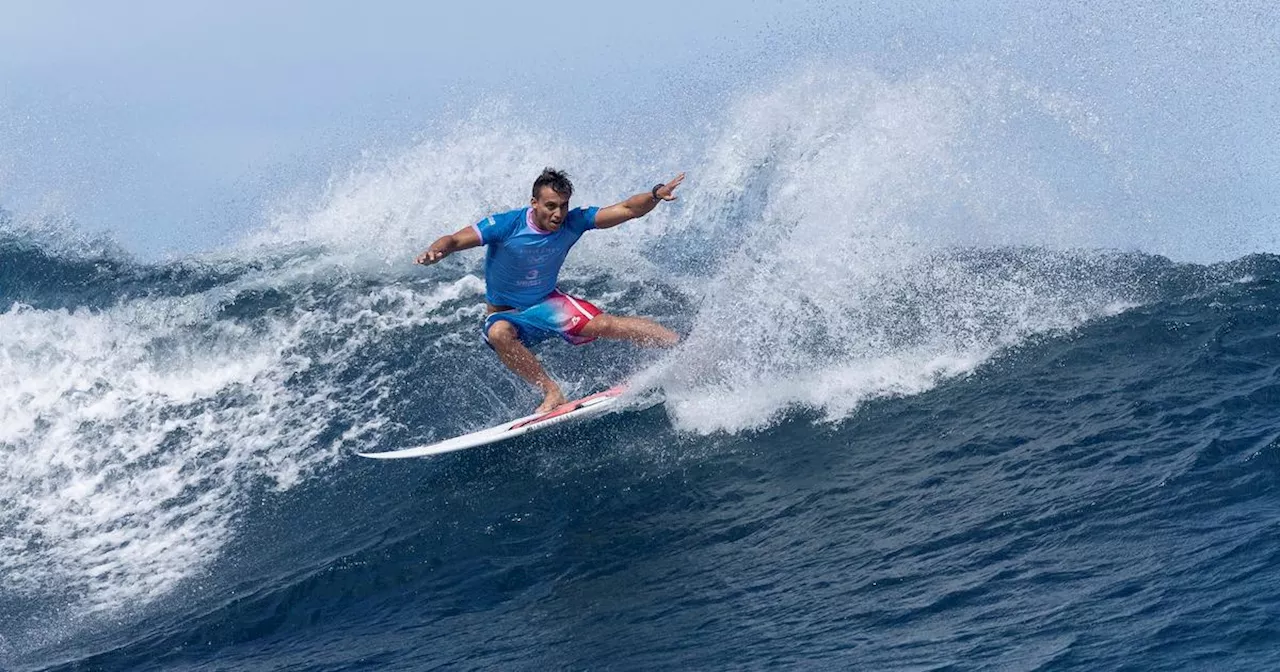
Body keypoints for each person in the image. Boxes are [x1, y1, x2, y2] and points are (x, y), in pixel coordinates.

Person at [416, 168, 685, 412]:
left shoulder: (574, 221)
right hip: (506, 313)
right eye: (551, 206)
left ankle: (681, 347)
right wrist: (436, 250)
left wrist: (655, 194)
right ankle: (552, 392)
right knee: (499, 333)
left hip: (548, 304)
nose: (558, 214)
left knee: (604, 324)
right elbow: (453, 239)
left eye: (563, 206)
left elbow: (628, 209)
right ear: (534, 203)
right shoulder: (507, 224)